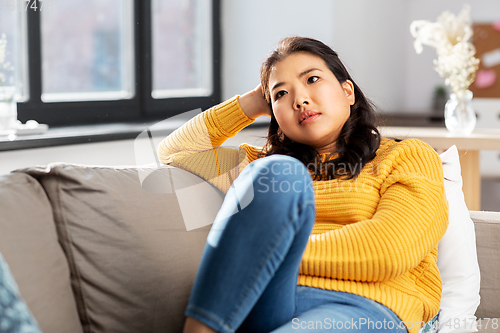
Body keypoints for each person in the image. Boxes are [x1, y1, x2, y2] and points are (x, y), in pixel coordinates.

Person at [157, 37, 448, 333]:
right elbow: (173, 152)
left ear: (348, 91)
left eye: (312, 79)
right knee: (281, 170)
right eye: (281, 94)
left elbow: (389, 249)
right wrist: (252, 103)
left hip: (365, 306)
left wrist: (258, 256)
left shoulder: (407, 156)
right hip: (266, 298)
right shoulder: (260, 166)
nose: (299, 99)